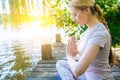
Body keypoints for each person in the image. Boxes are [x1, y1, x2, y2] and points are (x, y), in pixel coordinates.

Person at [55, 0, 115, 80]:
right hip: (87, 76)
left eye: (75, 15)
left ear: (87, 10)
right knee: (60, 64)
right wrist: (73, 50)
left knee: (61, 75)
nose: (73, 19)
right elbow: (81, 54)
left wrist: (69, 56)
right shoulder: (87, 32)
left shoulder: (99, 33)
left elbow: (78, 71)